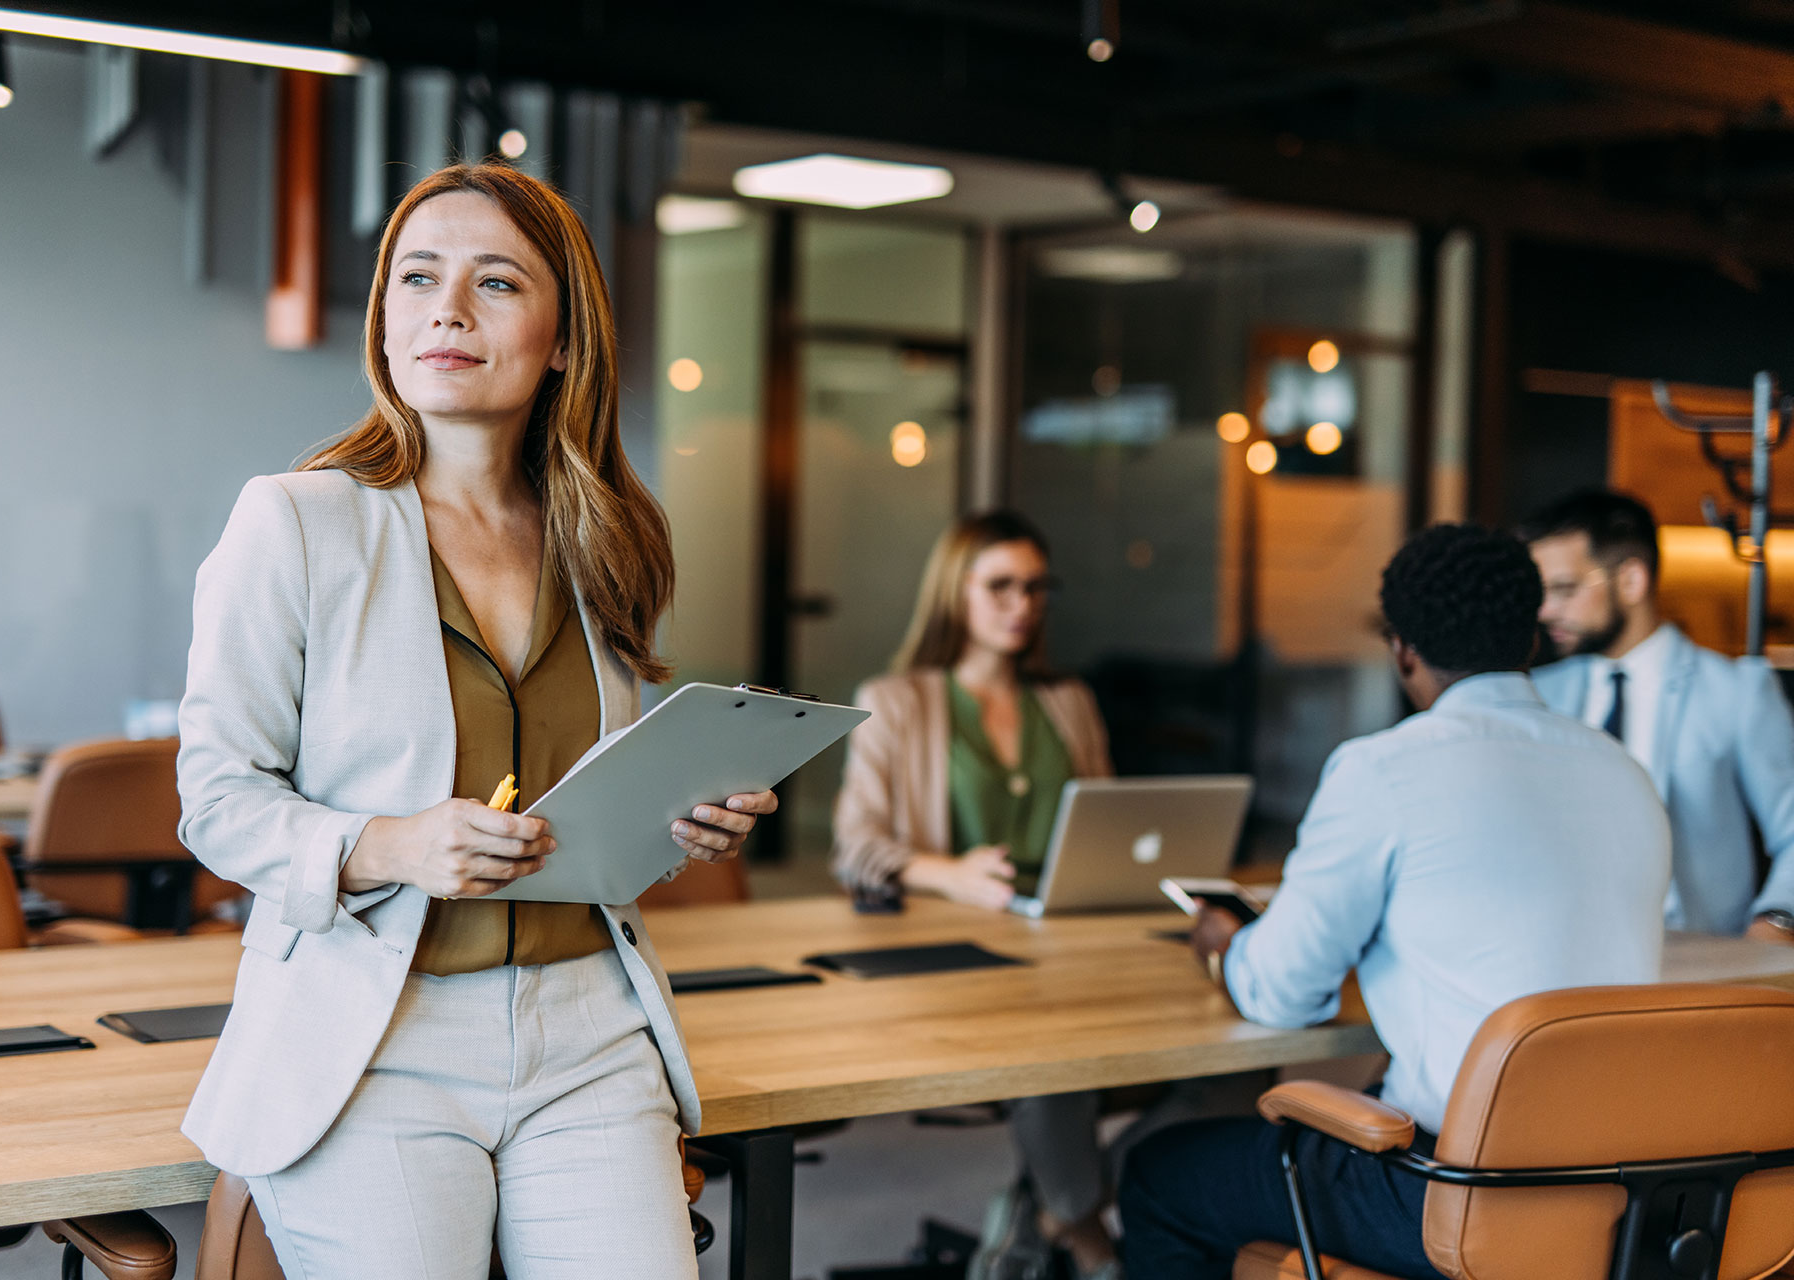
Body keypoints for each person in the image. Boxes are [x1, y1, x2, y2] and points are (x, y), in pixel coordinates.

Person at [176, 160, 777, 1279]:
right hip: (376, 1035)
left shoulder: (605, 536)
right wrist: (387, 842)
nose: (446, 306)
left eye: (495, 281)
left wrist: (680, 819)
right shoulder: (294, 521)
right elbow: (215, 801)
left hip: (590, 1029)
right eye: (417, 277)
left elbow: (588, 819)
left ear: (562, 339)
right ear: (386, 319)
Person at [1118, 523, 1668, 1280]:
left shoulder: (1384, 770)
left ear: (1403, 649)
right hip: (1622, 1199)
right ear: (1530, 641)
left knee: (1160, 1175)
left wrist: (1226, 947)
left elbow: (1281, 994)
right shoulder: (1625, 775)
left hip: (1457, 1194)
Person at [832, 511, 1119, 1280]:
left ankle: (1059, 1204)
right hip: (965, 955)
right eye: (1000, 586)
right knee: (1054, 1048)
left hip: (1068, 938)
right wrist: (948, 872)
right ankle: (1085, 1228)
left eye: (1034, 587)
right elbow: (855, 847)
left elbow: (1109, 827)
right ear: (955, 594)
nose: (1021, 604)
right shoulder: (898, 700)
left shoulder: (1069, 702)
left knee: (1238, 1049)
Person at [1522, 489, 1794, 941]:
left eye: (1564, 590)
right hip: (1563, 960)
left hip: (1699, 971)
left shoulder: (1736, 692)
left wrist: (1778, 921)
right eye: (1541, 593)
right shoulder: (1537, 695)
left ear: (1631, 581)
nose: (1546, 611)